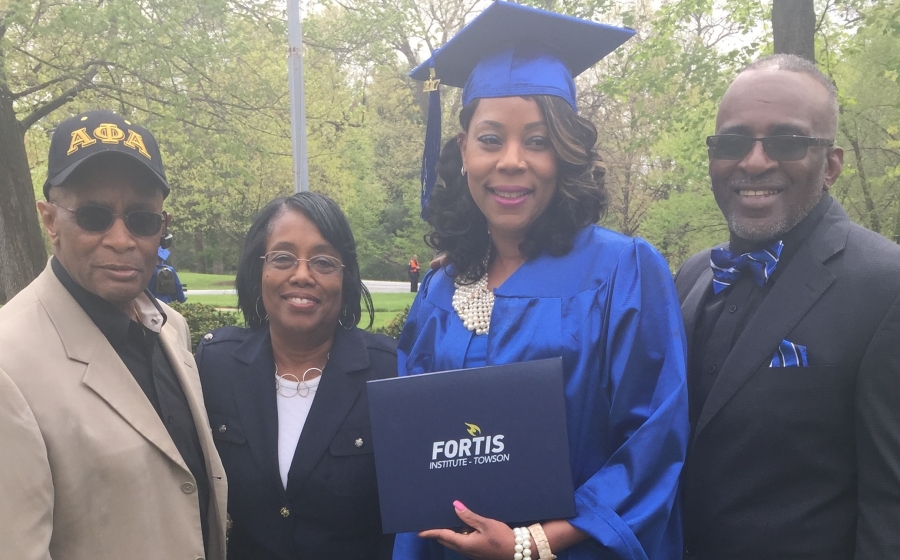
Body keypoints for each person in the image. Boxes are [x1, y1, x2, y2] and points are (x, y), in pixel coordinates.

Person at [395, 3, 690, 560]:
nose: (511, 161)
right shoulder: (439, 291)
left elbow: (652, 443)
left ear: (566, 153)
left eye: (537, 140)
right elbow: (418, 454)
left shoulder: (624, 271)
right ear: (463, 151)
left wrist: (528, 545)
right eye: (489, 138)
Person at [675, 54, 900, 559]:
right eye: (733, 142)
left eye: (787, 141)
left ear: (832, 165)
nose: (754, 161)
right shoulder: (692, 277)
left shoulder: (887, 288)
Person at [0, 110, 228, 560]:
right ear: (49, 219)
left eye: (141, 219)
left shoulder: (172, 330)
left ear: (162, 227)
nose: (121, 239)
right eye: (94, 216)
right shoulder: (9, 364)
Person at [196, 192, 397, 560]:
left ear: (345, 277)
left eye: (323, 262)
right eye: (283, 258)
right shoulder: (215, 366)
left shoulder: (389, 372)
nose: (302, 275)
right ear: (259, 270)